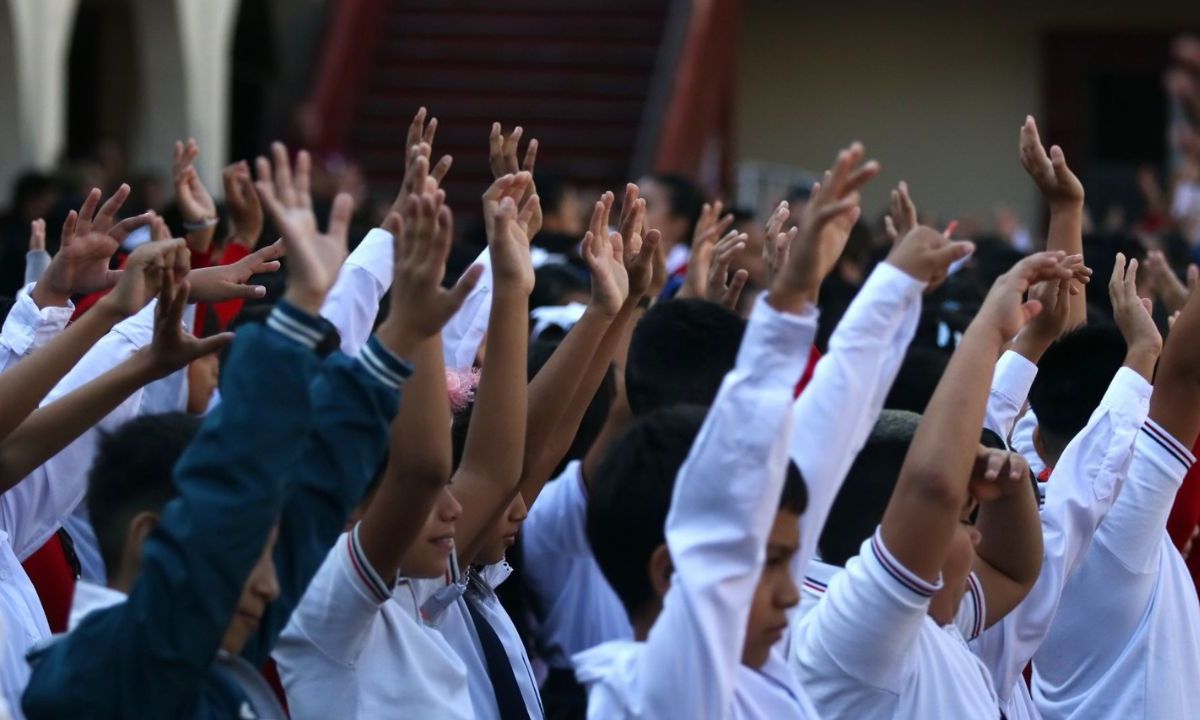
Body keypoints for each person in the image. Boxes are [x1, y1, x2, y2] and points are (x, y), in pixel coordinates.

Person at [21, 143, 437, 719]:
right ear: (152, 543)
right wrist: (296, 318)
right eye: (249, 551)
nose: (271, 587)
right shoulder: (99, 681)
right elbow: (241, 461)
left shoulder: (210, 670)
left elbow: (311, 498)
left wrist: (399, 330)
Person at [573, 141, 878, 719]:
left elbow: (823, 439)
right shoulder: (660, 693)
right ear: (671, 572)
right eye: (762, 560)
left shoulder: (763, 678)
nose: (791, 594)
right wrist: (789, 299)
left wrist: (822, 292)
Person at [791, 250, 1074, 719]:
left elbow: (1014, 571)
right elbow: (932, 486)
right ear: (898, 532)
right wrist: (988, 330)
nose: (977, 535)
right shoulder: (852, 633)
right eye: (964, 521)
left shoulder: (928, 615)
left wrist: (1012, 482)